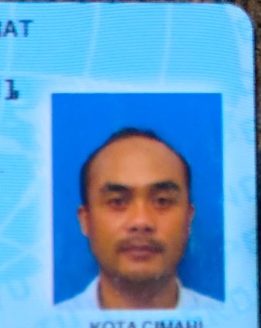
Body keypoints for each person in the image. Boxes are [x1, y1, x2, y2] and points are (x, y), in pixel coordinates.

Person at [59, 127, 220, 310]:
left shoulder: (227, 323)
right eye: (117, 202)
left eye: (162, 201)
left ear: (188, 219)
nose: (141, 221)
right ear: (85, 220)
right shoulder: (50, 325)